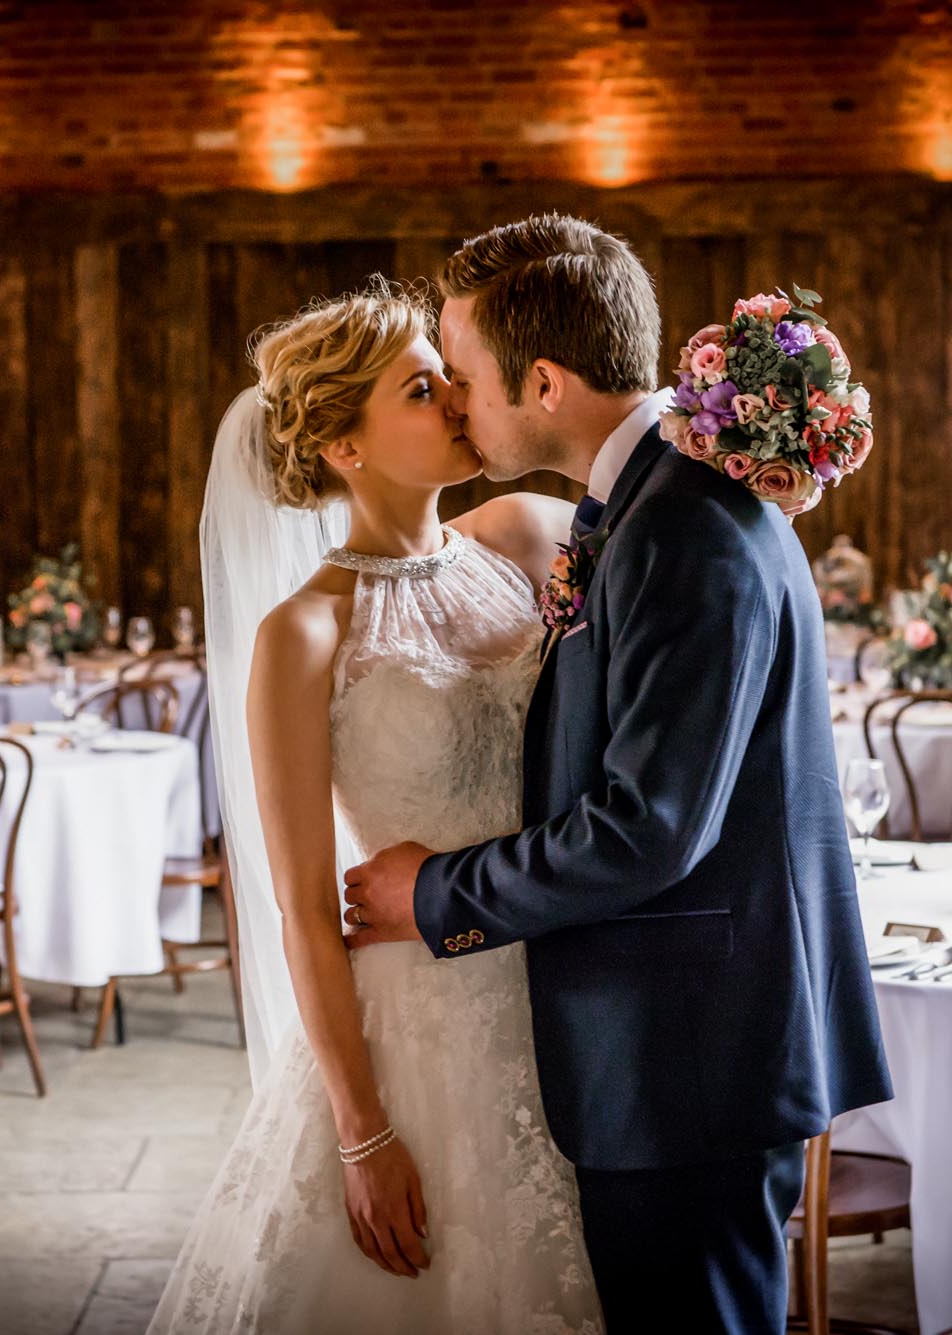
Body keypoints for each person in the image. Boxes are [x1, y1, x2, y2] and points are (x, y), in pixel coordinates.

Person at [341, 215, 893, 1334]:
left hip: (686, 1057)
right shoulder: (647, 503)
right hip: (680, 1045)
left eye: (463, 373)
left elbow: (648, 827)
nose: (454, 399)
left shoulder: (679, 527)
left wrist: (432, 894)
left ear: (540, 382)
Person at [146, 277, 602, 1333]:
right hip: (421, 1017)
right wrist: (361, 1132)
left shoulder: (527, 541)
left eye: (448, 378)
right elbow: (302, 906)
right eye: (417, 390)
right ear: (345, 447)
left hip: (564, 979)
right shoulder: (303, 636)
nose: (454, 400)